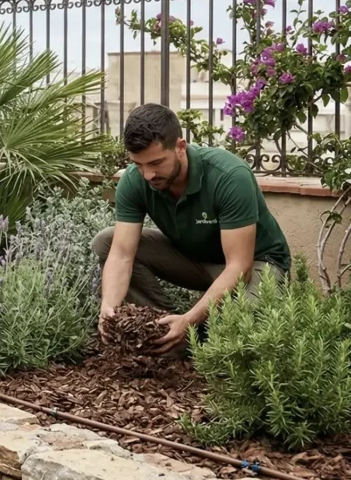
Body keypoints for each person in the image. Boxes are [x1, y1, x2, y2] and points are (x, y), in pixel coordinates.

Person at [93, 103, 290, 355]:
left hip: (256, 264)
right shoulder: (135, 180)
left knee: (243, 340)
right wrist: (108, 308)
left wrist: (191, 319)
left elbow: (240, 267)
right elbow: (121, 254)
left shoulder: (229, 175)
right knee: (106, 242)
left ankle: (191, 334)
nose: (148, 175)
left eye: (155, 162)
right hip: (194, 260)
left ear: (180, 147)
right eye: (138, 164)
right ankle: (164, 331)